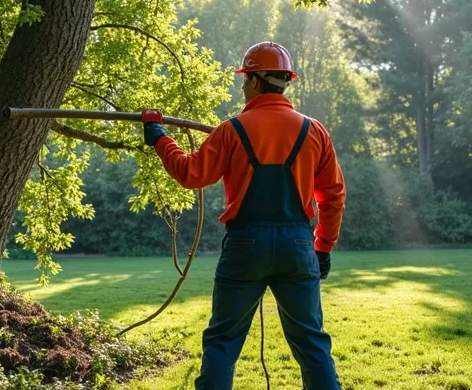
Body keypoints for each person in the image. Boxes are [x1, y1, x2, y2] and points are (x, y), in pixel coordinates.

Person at [141, 41, 346, 390]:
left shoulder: (232, 129)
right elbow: (333, 196)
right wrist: (323, 247)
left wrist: (159, 137)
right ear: (284, 81)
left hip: (245, 245)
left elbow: (191, 174)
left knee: (223, 341)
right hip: (298, 245)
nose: (242, 86)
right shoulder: (315, 131)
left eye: (244, 79)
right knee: (312, 344)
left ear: (253, 80)